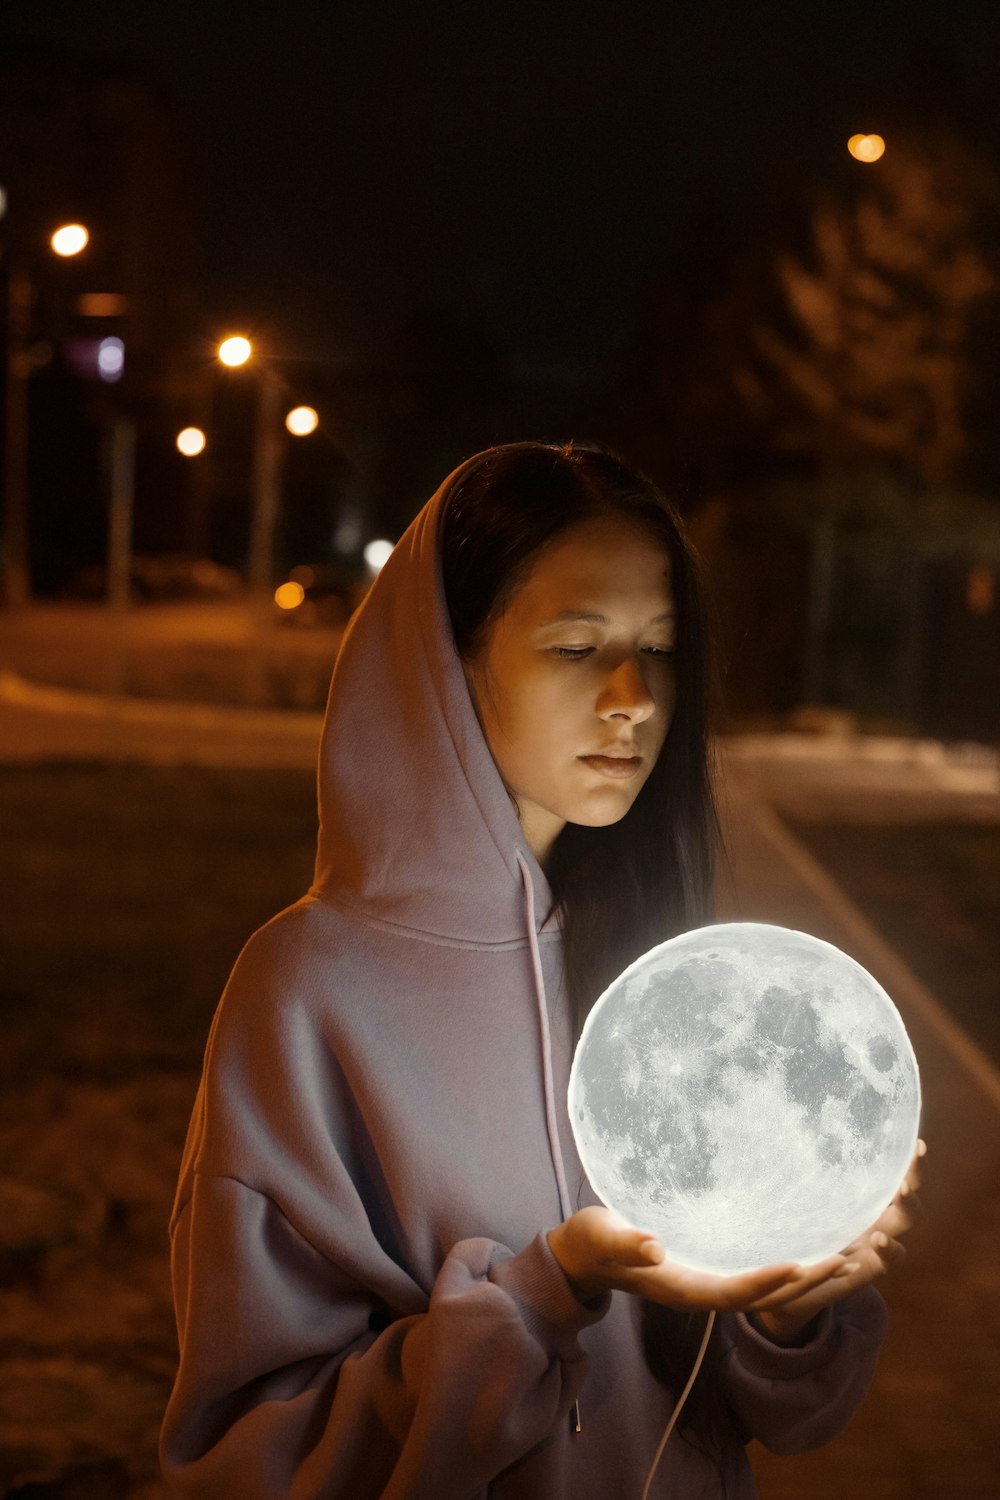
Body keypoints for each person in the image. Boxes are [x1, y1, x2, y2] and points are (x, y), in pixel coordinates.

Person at [160, 441, 921, 1498]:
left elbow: (769, 1422)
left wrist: (784, 1310)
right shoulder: (309, 990)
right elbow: (245, 1462)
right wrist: (542, 1297)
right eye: (575, 646)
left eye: (659, 648)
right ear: (448, 661)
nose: (632, 697)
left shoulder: (677, 984)